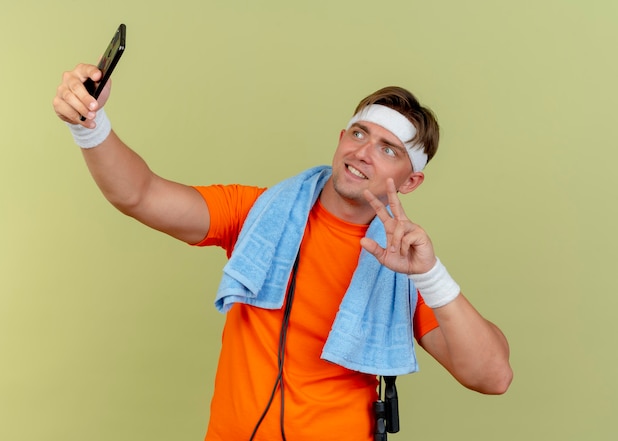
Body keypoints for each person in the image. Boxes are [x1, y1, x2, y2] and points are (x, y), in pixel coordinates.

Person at [53, 63, 513, 441]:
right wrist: (90, 125)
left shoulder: (405, 267)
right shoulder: (259, 215)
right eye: (358, 134)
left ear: (410, 181)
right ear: (340, 138)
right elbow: (140, 194)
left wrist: (430, 275)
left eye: (388, 148)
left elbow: (492, 377)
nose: (364, 152)